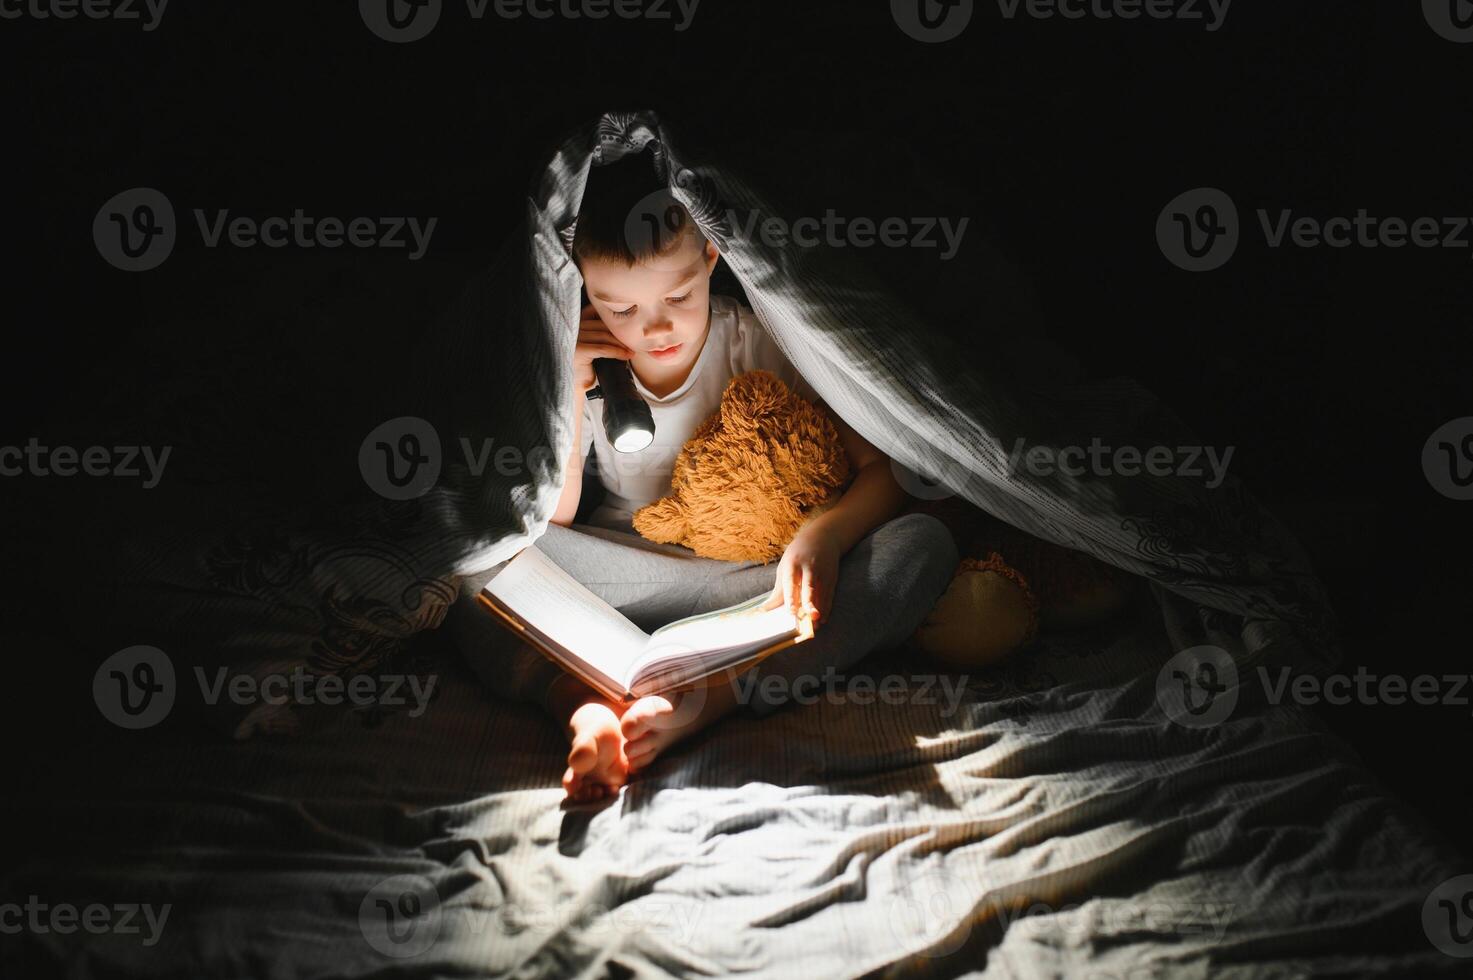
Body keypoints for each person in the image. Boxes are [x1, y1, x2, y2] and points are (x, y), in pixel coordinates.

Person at [448, 151, 958, 802]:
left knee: (920, 543)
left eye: (677, 296)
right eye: (620, 307)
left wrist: (822, 537)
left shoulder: (753, 342)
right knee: (470, 562)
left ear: (710, 259)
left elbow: (882, 473)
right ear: (584, 291)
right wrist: (571, 392)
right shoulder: (583, 359)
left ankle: (716, 697)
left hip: (749, 581)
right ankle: (582, 708)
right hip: (627, 571)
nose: (653, 327)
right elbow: (560, 521)